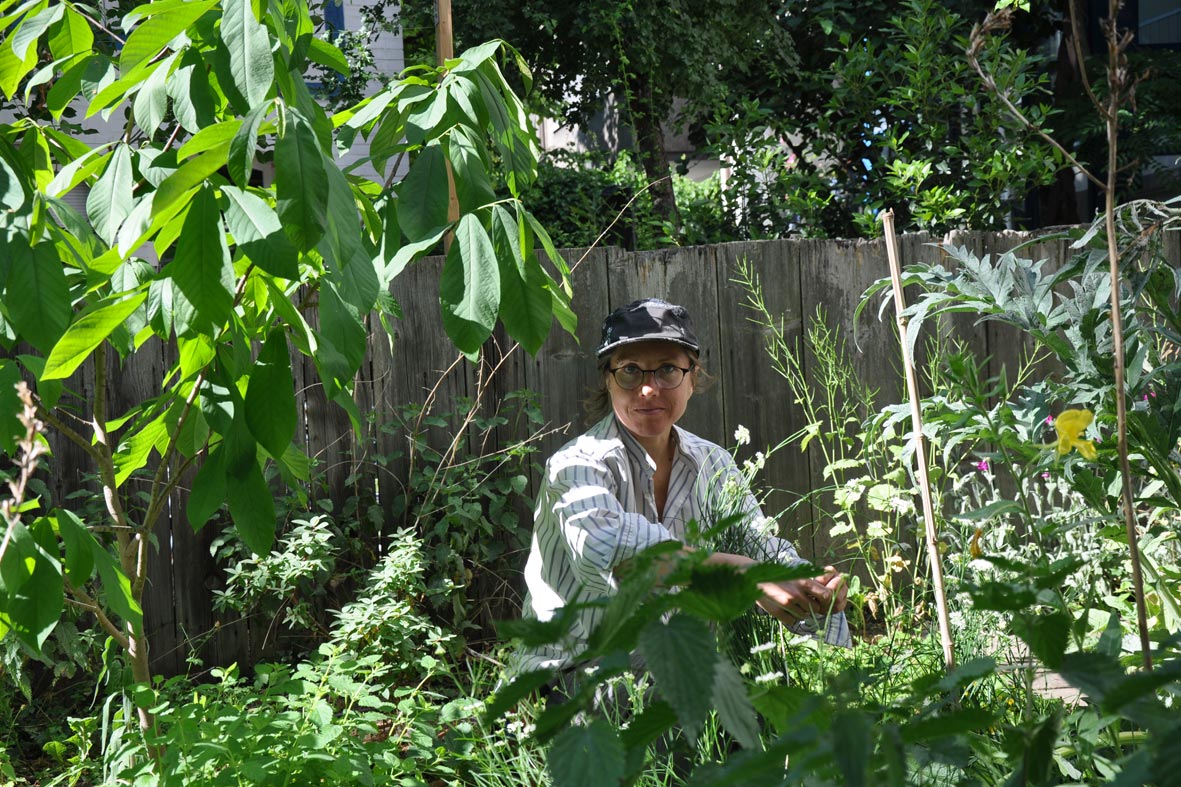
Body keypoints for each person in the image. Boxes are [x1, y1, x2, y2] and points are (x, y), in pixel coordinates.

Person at [514, 298, 850, 673]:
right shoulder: (576, 464)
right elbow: (617, 556)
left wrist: (808, 584)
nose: (648, 389)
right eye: (629, 371)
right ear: (608, 380)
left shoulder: (713, 462)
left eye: (667, 370)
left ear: (692, 378)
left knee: (774, 692)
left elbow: (758, 545)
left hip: (676, 666)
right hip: (573, 671)